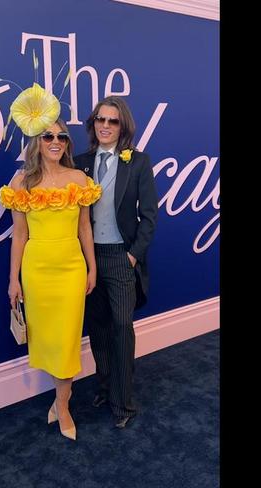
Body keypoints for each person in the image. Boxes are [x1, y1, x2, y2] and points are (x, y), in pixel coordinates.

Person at [0, 115, 101, 441]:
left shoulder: (79, 180)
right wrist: (13, 280)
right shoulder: (22, 183)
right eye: (47, 137)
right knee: (49, 339)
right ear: (37, 143)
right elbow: (18, 235)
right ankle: (61, 402)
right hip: (37, 269)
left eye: (61, 136)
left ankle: (63, 404)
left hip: (71, 268)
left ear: (67, 143)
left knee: (68, 339)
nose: (55, 141)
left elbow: (85, 228)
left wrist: (92, 266)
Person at [73, 96, 158, 429]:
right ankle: (105, 386)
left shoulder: (138, 162)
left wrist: (133, 254)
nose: (105, 126)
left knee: (122, 327)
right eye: (100, 120)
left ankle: (123, 402)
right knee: (98, 327)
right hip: (89, 258)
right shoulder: (79, 162)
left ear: (123, 126)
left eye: (112, 121)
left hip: (121, 258)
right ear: (93, 124)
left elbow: (149, 216)